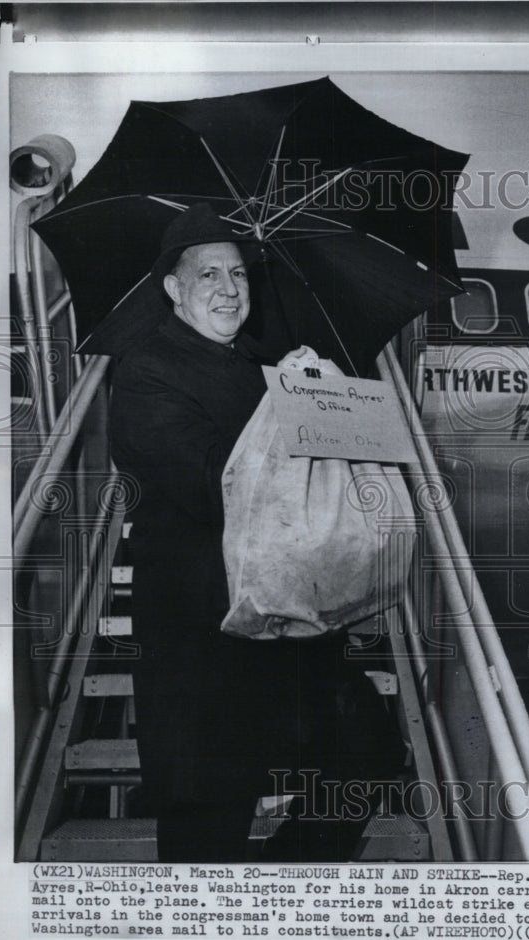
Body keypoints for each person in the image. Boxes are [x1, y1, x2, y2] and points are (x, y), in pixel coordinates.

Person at [109, 204, 404, 862]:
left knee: (371, 757)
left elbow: (342, 475)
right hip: (203, 631)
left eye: (239, 274)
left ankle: (274, 885)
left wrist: (320, 393)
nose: (228, 288)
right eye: (207, 274)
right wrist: (286, 406)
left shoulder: (262, 368)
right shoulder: (144, 372)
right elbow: (219, 483)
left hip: (283, 619)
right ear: (173, 289)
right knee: (206, 815)